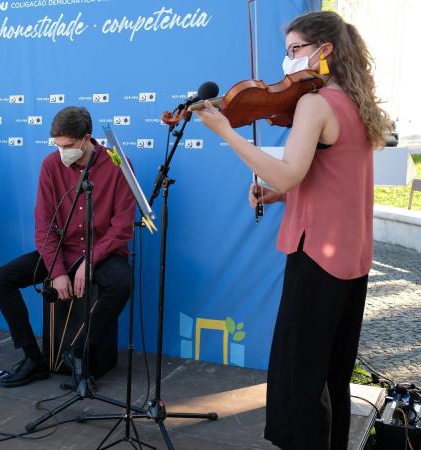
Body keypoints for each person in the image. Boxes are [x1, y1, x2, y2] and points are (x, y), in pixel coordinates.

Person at [194, 11, 391, 450]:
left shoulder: (314, 104)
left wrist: (226, 131)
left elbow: (286, 173)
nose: (287, 62)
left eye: (293, 51)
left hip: (318, 257)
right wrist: (280, 197)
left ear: (324, 52)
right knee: (332, 378)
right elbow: (331, 177)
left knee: (299, 380)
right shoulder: (355, 102)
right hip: (352, 260)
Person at [0, 106, 135, 388]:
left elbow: (123, 226)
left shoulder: (118, 163)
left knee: (122, 282)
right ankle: (33, 359)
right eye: (58, 146)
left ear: (87, 138)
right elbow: (43, 224)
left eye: (68, 146)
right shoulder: (50, 164)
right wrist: (57, 271)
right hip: (63, 250)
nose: (62, 152)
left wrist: (90, 261)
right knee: (1, 279)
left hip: (102, 251)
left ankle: (79, 352)